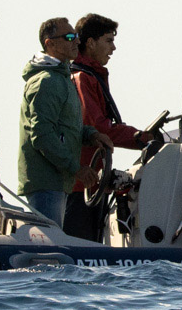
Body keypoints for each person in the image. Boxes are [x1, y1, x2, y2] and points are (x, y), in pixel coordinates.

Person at [63, 13, 152, 241]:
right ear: (91, 42)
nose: (113, 48)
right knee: (83, 249)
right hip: (82, 184)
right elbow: (99, 128)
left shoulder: (90, 75)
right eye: (109, 40)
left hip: (93, 181)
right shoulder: (83, 78)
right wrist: (141, 138)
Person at [17, 17, 113, 227]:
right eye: (70, 37)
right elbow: (42, 136)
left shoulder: (62, 79)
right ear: (50, 43)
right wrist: (76, 168)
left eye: (76, 37)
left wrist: (92, 135)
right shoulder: (46, 82)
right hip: (46, 184)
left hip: (59, 182)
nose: (76, 42)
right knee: (50, 251)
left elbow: (68, 127)